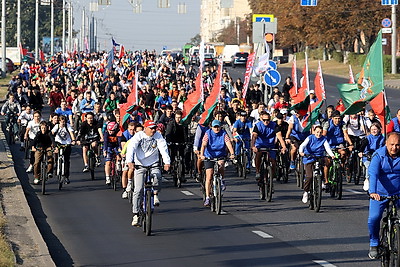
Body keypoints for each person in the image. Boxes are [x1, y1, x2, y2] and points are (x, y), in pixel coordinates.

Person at [126, 120, 170, 227]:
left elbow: (163, 149)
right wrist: (129, 161)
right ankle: (136, 214)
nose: (153, 130)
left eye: (154, 128)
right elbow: (131, 147)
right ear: (145, 128)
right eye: (151, 128)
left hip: (153, 163)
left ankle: (155, 194)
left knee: (158, 176)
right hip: (140, 164)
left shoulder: (158, 136)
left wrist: (166, 162)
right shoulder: (138, 136)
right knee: (138, 189)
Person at [367, 132, 400, 259]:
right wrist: (373, 192)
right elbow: (373, 174)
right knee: (374, 218)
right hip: (379, 194)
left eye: (398, 145)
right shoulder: (378, 156)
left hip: (398, 193)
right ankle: (374, 243)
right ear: (386, 143)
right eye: (391, 144)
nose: (394, 148)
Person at [200, 119, 235, 207]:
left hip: (220, 155)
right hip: (209, 156)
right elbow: (204, 144)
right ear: (211, 127)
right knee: (209, 174)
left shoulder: (223, 134)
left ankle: (222, 180)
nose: (216, 129)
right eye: (214, 127)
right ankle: (207, 197)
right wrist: (201, 154)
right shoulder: (208, 133)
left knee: (221, 165)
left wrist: (232, 153)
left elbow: (228, 144)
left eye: (218, 127)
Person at [299, 125, 335, 204]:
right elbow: (302, 145)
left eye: (320, 132)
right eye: (317, 132)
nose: (319, 134)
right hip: (309, 157)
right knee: (309, 176)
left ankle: (321, 180)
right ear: (314, 132)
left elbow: (327, 148)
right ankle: (306, 192)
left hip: (319, 157)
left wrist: (332, 155)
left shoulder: (324, 139)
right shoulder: (310, 138)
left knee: (325, 164)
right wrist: (301, 152)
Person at [252, 111, 287, 182]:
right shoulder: (257, 125)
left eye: (268, 120)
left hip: (271, 145)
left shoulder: (274, 125)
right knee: (258, 155)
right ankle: (257, 171)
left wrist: (284, 147)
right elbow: (254, 136)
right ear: (261, 119)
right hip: (260, 144)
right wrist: (253, 146)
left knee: (273, 161)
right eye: (264, 120)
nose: (266, 122)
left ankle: (272, 175)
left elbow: (279, 136)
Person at [359, 122, 385, 191]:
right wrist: (361, 152)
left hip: (378, 156)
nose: (374, 131)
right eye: (372, 129)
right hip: (368, 156)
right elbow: (363, 145)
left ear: (379, 130)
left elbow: (384, 147)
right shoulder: (368, 138)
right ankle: (367, 179)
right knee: (369, 166)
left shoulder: (382, 138)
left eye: (375, 129)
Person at [51, 115, 76, 184]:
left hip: (66, 144)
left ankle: (66, 176)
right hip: (58, 143)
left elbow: (71, 133)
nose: (63, 123)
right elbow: (52, 133)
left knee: (66, 160)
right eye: (61, 122)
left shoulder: (68, 126)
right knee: (56, 153)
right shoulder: (57, 126)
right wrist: (52, 141)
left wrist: (73, 140)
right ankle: (56, 163)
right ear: (59, 122)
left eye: (64, 121)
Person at [103, 121, 121, 185]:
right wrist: (105, 150)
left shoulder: (118, 133)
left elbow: (119, 142)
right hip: (108, 146)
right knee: (108, 162)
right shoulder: (106, 133)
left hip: (116, 146)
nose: (110, 132)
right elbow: (105, 142)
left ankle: (118, 165)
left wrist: (119, 150)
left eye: (112, 130)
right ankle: (107, 177)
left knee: (119, 156)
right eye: (109, 130)